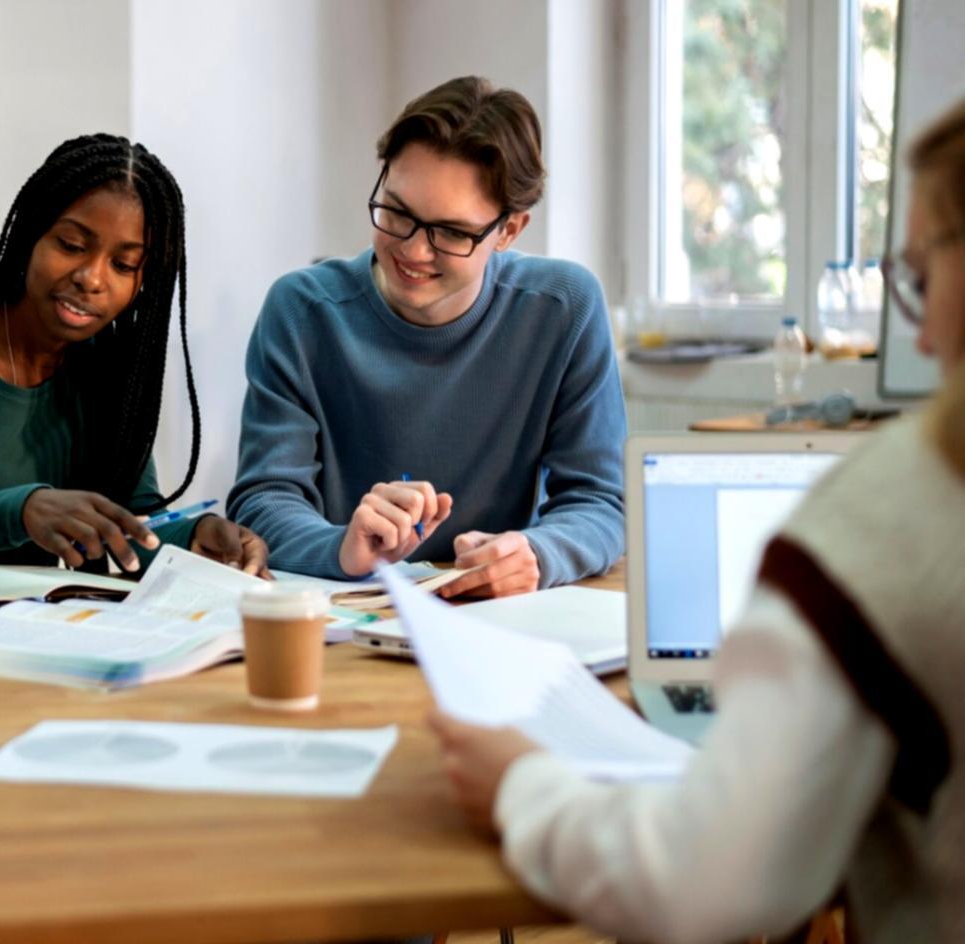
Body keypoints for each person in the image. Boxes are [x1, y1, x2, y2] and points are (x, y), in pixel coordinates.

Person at [428, 98, 965, 944]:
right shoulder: (306, 306)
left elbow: (707, 883)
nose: (921, 333)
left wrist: (523, 785)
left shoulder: (891, 519)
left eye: (921, 278)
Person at [227, 76, 625, 595]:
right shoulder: (301, 312)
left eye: (453, 232)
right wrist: (340, 547)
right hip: (345, 610)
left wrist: (537, 554)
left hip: (502, 614)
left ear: (508, 231)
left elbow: (600, 502)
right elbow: (263, 499)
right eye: (397, 212)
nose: (413, 251)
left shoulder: (564, 309)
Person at [0, 133, 268, 584]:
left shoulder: (108, 369)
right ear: (32, 232)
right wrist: (22, 511)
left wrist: (196, 536)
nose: (92, 279)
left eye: (124, 265)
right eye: (72, 245)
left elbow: (135, 525)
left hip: (47, 625)